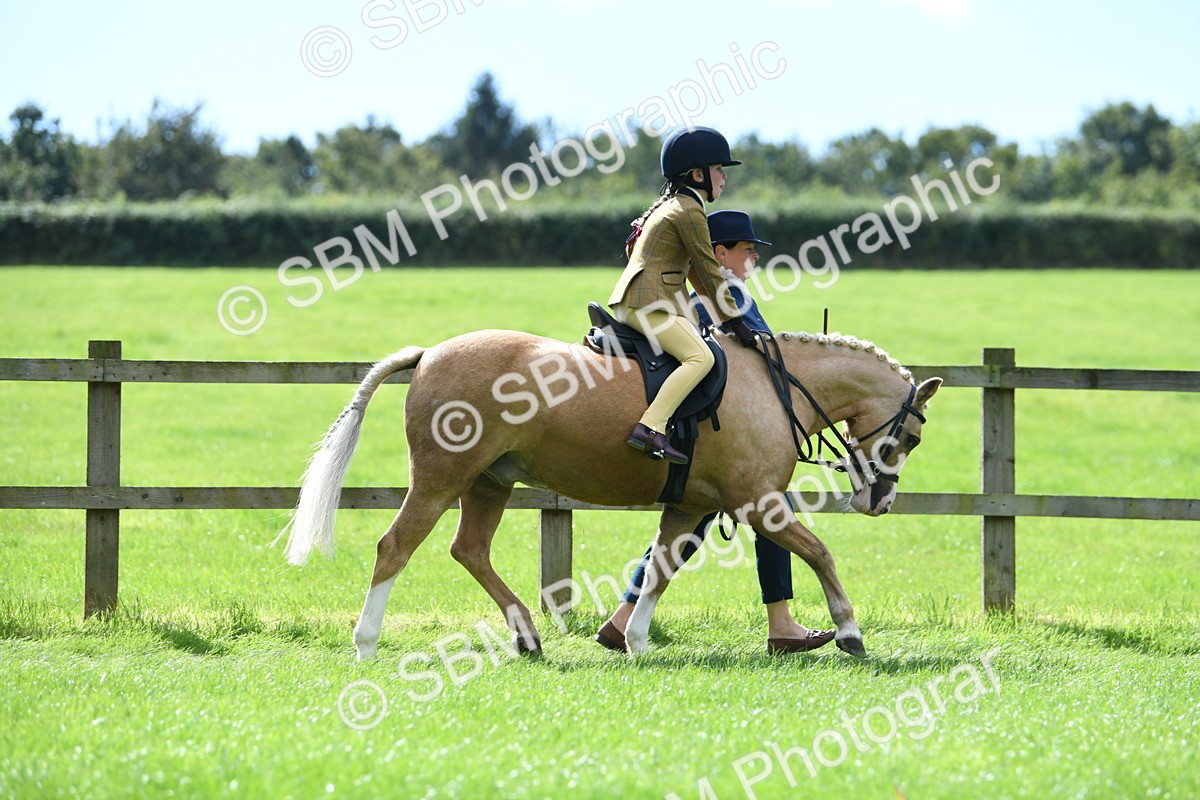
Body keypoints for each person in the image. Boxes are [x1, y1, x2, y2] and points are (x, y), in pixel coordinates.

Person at [596, 210, 837, 655]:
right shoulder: (721, 297)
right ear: (719, 253)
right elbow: (762, 356)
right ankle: (781, 625)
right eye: (748, 250)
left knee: (688, 524)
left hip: (716, 434)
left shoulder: (706, 296)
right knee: (766, 511)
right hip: (724, 437)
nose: (754, 259)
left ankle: (625, 618)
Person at [609, 126, 759, 466]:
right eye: (719, 169)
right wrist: (736, 320)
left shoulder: (676, 205)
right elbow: (708, 269)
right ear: (697, 174)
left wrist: (725, 319)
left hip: (649, 299)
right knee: (700, 358)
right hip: (648, 303)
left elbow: (695, 272)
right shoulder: (689, 210)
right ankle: (651, 427)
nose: (724, 177)